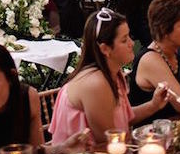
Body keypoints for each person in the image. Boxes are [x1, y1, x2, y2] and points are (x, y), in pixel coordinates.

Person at [49, 9, 168, 145]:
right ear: (105, 49)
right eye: (124, 40)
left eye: (129, 36)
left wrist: (154, 105)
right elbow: (108, 142)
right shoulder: (96, 83)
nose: (132, 43)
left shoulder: (114, 73)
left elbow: (122, 118)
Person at [129, 0, 180, 123]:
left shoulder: (175, 52)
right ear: (164, 30)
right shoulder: (150, 59)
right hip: (152, 136)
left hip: (176, 128)